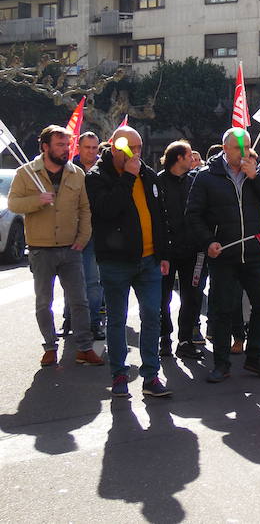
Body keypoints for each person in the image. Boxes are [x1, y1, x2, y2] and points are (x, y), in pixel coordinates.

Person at [186, 128, 260, 383]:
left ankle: (255, 358)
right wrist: (208, 241)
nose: (243, 153)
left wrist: (257, 178)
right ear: (224, 149)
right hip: (224, 255)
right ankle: (221, 363)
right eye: (237, 148)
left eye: (246, 147)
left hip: (253, 253)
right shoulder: (207, 177)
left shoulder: (256, 173)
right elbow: (193, 215)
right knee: (221, 310)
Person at [8, 125, 104, 368]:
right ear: (45, 147)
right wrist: (36, 201)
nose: (65, 149)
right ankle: (50, 346)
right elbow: (13, 204)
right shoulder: (25, 173)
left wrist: (83, 238)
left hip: (71, 248)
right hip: (41, 249)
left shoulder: (76, 174)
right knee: (44, 302)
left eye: (67, 145)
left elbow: (84, 208)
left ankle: (84, 347)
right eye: (60, 145)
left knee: (79, 300)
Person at [86, 126, 170, 397]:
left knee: (152, 317)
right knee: (117, 320)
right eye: (129, 148)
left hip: (149, 261)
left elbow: (159, 216)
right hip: (116, 262)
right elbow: (107, 209)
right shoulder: (97, 177)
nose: (135, 153)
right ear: (113, 147)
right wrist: (128, 179)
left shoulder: (148, 174)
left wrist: (163, 254)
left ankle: (151, 377)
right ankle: (119, 375)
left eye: (138, 148)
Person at [157, 140, 204, 361]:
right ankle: (164, 338)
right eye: (188, 156)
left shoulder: (194, 182)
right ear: (178, 158)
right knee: (162, 297)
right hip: (165, 251)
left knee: (192, 296)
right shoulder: (156, 181)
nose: (192, 160)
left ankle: (185, 340)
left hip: (192, 251)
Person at [71, 131, 105, 340]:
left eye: (95, 148)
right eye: (87, 147)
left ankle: (94, 322)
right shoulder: (68, 170)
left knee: (93, 281)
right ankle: (71, 319)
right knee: (73, 281)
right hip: (72, 233)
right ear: (79, 148)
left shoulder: (104, 169)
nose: (91, 152)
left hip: (97, 233)